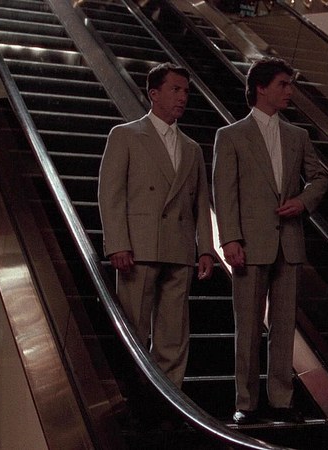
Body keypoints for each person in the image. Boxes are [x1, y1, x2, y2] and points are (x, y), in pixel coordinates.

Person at [212, 56, 328, 424]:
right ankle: (246, 403)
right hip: (249, 244)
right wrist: (229, 239)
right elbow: (224, 193)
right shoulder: (230, 135)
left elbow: (320, 178)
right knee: (247, 326)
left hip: (289, 243)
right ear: (261, 88)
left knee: (284, 325)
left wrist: (303, 201)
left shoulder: (298, 136)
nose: (290, 91)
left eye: (290, 84)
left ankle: (282, 400)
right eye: (283, 84)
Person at [98, 62, 215, 388]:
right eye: (175, 89)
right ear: (154, 94)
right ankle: (133, 394)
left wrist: (206, 249)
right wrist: (117, 243)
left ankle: (169, 398)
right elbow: (110, 194)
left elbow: (201, 203)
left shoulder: (191, 148)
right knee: (134, 328)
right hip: (139, 248)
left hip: (180, 249)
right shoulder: (125, 135)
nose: (182, 97)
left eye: (186, 91)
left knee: (174, 333)